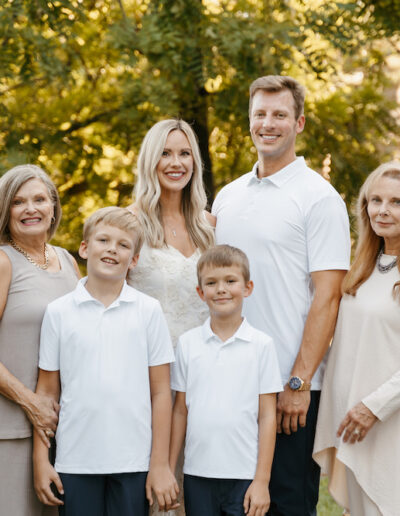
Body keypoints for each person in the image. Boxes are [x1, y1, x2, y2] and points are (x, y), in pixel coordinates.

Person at [212, 75, 351, 515]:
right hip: (227, 382)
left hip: (288, 389)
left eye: (279, 115)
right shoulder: (228, 197)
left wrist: (298, 383)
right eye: (260, 114)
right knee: (230, 503)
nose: (268, 123)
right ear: (249, 121)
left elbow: (328, 296)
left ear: (300, 122)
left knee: (285, 504)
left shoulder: (319, 199)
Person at [33, 207, 178, 516]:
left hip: (134, 462)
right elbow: (46, 394)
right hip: (75, 460)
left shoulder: (148, 311)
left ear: (134, 260)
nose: (113, 248)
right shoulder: (59, 312)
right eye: (103, 240)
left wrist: (160, 464)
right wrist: (40, 459)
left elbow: (161, 392)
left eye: (124, 245)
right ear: (85, 248)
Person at [313, 162, 400, 516]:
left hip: (388, 422)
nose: (382, 210)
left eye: (396, 202)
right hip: (353, 425)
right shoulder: (360, 270)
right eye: (374, 200)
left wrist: (373, 408)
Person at [170, 245, 283, 516]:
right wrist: (171, 468)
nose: (221, 289)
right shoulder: (187, 344)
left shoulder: (262, 345)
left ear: (247, 287)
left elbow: (267, 416)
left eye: (230, 281)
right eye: (211, 283)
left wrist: (262, 481)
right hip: (197, 474)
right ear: (200, 292)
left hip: (244, 475)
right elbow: (180, 410)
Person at [0, 164, 79, 516]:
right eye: (18, 202)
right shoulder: (3, 261)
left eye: (39, 199)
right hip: (11, 429)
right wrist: (30, 401)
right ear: (6, 210)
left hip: (63, 431)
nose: (30, 209)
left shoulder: (67, 261)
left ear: (53, 206)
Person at [127, 118, 215, 346]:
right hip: (150, 363)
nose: (176, 163)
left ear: (194, 160)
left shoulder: (210, 226)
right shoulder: (127, 224)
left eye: (184, 153)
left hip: (205, 360)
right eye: (165, 154)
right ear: (149, 161)